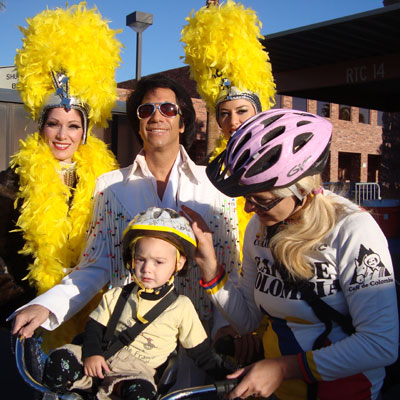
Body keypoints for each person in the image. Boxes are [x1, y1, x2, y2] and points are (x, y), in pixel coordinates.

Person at [11, 73, 240, 348]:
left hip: (198, 341)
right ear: (139, 124)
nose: (157, 117)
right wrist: (48, 306)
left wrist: (225, 326)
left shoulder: (214, 186)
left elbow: (230, 266)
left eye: (168, 109)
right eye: (146, 110)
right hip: (127, 343)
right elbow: (96, 265)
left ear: (183, 123)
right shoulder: (110, 187)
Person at [184, 108, 399, 400]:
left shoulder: (353, 228)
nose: (250, 209)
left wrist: (285, 368)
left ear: (301, 190)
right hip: (278, 390)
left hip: (343, 390)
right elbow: (248, 320)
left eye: (262, 201)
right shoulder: (260, 229)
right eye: (247, 197)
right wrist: (210, 270)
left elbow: (380, 343)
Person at [0, 2, 120, 352]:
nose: (62, 135)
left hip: (94, 321)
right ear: (41, 128)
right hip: (25, 322)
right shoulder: (9, 183)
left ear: (84, 131)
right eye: (53, 124)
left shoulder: (108, 182)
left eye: (73, 126)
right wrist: (21, 305)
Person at [41, 207, 230, 400]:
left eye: (158, 262)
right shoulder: (117, 295)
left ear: (179, 263)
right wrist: (92, 354)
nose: (147, 269)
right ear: (132, 259)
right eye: (141, 259)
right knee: (57, 364)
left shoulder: (181, 307)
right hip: (98, 360)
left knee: (141, 394)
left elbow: (200, 352)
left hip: (135, 372)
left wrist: (227, 378)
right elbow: (94, 328)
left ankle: (111, 390)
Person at [181, 0, 276, 366]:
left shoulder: (285, 173)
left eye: (242, 111)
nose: (233, 122)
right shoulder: (212, 180)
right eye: (224, 114)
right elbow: (225, 259)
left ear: (258, 112)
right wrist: (230, 322)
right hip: (231, 315)